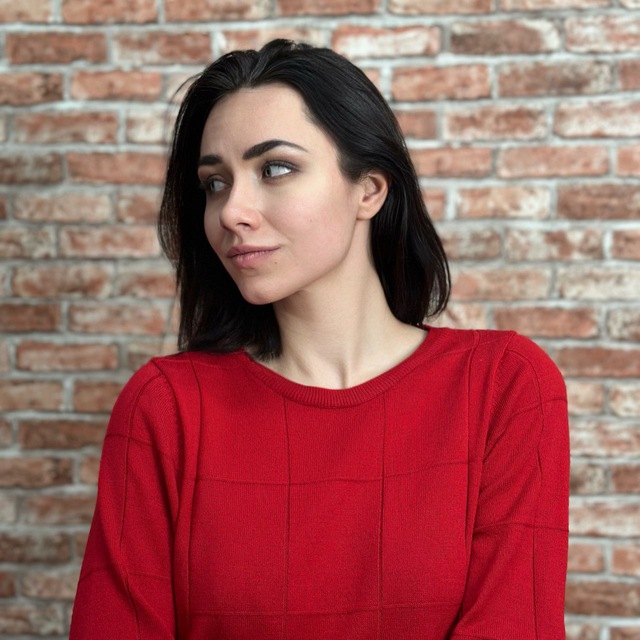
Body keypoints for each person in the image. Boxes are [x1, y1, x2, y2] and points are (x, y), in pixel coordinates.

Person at [69, 40, 570, 639]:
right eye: (215, 183)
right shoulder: (166, 407)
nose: (231, 211)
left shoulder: (503, 385)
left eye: (275, 169)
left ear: (370, 190)